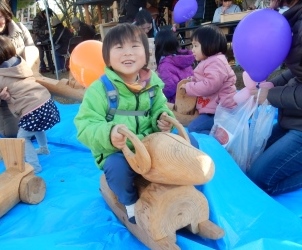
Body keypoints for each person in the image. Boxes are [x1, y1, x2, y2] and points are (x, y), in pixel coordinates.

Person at [74, 23, 198, 224]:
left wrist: (162, 120)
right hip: (121, 152)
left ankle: (186, 190)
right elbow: (85, 124)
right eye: (119, 48)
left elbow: (160, 107)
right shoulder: (100, 90)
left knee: (189, 142)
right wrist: (109, 133)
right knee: (116, 168)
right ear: (107, 56)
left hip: (151, 145)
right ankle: (130, 204)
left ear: (146, 53)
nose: (127, 53)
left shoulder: (152, 82)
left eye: (134, 46)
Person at [246, 0, 302, 195]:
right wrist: (274, 83)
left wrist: (272, 96)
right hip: (293, 118)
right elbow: (298, 72)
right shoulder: (294, 16)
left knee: (258, 180)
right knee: (251, 158)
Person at [0, 36, 60, 173]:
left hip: (32, 109)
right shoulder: (20, 63)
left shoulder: (1, 76)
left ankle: (34, 166)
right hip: (45, 101)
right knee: (37, 128)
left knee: (23, 137)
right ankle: (44, 148)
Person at [179, 25, 237, 134]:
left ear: (209, 45)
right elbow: (206, 79)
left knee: (194, 128)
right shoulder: (211, 61)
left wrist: (189, 87)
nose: (192, 50)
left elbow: (210, 85)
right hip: (213, 109)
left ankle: (216, 139)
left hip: (220, 111)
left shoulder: (216, 62)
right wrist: (193, 80)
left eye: (195, 46)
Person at [0, 0, 35, 138]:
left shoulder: (20, 30)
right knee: (13, 134)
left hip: (24, 91)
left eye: (0, 16)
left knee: (32, 129)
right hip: (4, 99)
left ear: (6, 14)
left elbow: (33, 51)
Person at [155, 29, 194, 103]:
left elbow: (169, 88)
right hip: (191, 100)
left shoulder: (165, 65)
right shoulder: (183, 59)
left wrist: (157, 94)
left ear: (159, 46)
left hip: (177, 102)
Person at [32, 7, 55, 73]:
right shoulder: (37, 19)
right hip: (38, 39)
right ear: (45, 13)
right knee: (40, 55)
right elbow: (35, 30)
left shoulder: (46, 19)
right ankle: (42, 68)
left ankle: (51, 67)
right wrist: (44, 31)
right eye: (49, 15)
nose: (50, 17)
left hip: (46, 39)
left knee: (49, 53)